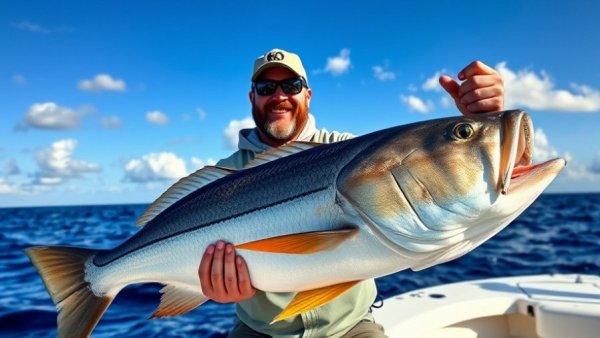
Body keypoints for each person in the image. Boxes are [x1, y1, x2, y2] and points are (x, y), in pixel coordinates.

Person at [198, 48, 505, 338]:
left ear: (307, 94)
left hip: (351, 327)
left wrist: (484, 125)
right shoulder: (222, 179)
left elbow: (472, 180)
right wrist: (209, 286)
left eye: (291, 85)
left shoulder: (354, 154)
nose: (279, 96)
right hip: (261, 331)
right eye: (266, 88)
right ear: (252, 97)